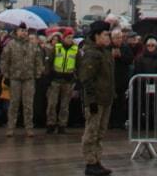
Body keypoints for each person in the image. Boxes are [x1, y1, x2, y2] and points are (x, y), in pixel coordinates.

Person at [78, 21, 116, 176]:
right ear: (96, 36)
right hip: (96, 100)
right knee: (91, 132)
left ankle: (96, 160)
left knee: (100, 132)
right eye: (105, 35)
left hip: (105, 98)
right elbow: (86, 79)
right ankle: (90, 162)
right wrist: (91, 100)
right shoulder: (92, 53)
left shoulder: (104, 52)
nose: (108, 38)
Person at [0, 24, 41, 138]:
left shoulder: (33, 46)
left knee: (28, 104)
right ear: (16, 31)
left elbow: (38, 61)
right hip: (15, 78)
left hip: (29, 78)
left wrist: (37, 74)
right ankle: (11, 127)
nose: (24, 33)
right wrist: (6, 75)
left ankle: (29, 128)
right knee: (14, 104)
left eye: (25, 31)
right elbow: (4, 61)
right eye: (21, 30)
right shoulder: (10, 45)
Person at [47, 29, 78, 133]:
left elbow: (78, 64)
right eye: (68, 37)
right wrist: (49, 76)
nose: (70, 40)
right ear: (64, 38)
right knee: (52, 103)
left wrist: (76, 79)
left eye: (71, 37)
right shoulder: (57, 48)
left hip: (68, 80)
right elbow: (49, 62)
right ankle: (51, 124)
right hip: (56, 78)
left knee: (65, 105)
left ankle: (62, 125)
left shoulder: (75, 49)